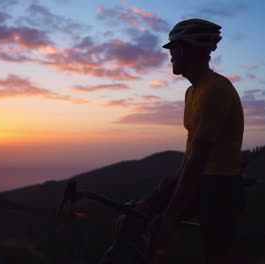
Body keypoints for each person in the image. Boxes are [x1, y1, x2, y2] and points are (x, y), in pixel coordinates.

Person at [99, 18, 245, 264]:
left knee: (216, 257)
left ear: (189, 49)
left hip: (220, 185)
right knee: (134, 217)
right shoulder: (193, 91)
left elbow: (199, 157)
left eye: (174, 48)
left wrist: (171, 215)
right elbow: (191, 150)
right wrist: (175, 180)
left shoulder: (215, 90)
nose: (171, 55)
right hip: (197, 179)